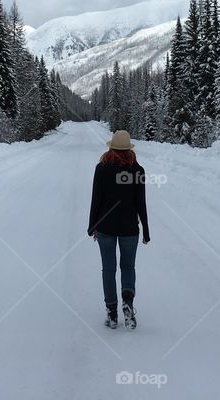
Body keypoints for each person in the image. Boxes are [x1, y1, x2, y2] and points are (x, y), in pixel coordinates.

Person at [87, 129, 150, 330]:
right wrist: (146, 231)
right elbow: (141, 203)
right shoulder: (137, 170)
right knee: (128, 267)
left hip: (105, 226)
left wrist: (92, 226)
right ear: (129, 149)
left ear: (111, 147)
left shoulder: (101, 168)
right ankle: (128, 305)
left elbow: (96, 199)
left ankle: (112, 313)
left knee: (109, 269)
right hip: (130, 228)